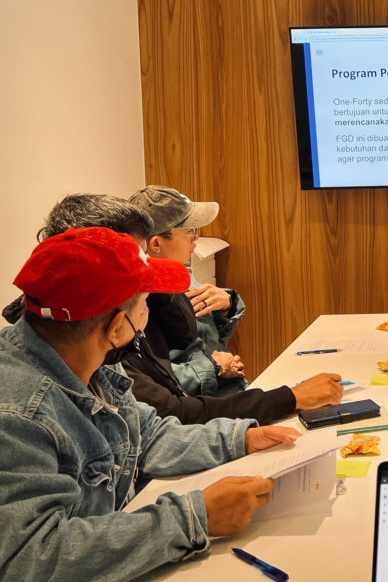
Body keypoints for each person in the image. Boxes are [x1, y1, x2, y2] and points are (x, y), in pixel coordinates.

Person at [0, 226, 303, 579]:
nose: (148, 311)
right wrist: (193, 517)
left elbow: (148, 434)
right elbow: (30, 559)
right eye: (144, 301)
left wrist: (241, 439)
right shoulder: (18, 414)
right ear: (117, 327)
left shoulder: (88, 360)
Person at [3, 193, 345, 425]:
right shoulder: (30, 403)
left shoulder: (104, 352)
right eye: (135, 262)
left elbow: (151, 435)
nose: (145, 269)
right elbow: (172, 411)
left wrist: (244, 438)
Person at [129, 185, 247, 396]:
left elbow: (208, 339)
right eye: (190, 231)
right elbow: (154, 382)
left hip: (227, 388)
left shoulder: (181, 273)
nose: (197, 238)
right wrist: (214, 367)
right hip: (201, 404)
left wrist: (226, 308)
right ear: (156, 243)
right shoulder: (138, 300)